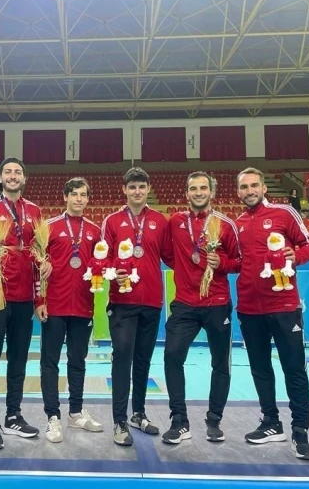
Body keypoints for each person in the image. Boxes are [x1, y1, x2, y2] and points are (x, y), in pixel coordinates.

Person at [234, 167, 309, 461]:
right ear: (238, 192)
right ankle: (271, 422)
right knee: (260, 369)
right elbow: (236, 263)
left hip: (284, 307)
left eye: (254, 185)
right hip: (249, 308)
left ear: (264, 188)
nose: (249, 191)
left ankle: (300, 431)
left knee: (294, 369)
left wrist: (297, 255)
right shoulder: (237, 224)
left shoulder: (284, 213)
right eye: (244, 187)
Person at [0, 157, 51, 450]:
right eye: (8, 171)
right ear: (1, 177)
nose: (13, 176)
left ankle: (13, 415)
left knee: (18, 359)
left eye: (18, 172)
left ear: (24, 178)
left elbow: (39, 255)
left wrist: (40, 297)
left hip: (24, 298)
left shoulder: (35, 211)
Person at [163, 172, 240, 445]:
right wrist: (184, 270)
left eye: (203, 188)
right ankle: (179, 421)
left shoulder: (226, 224)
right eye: (193, 188)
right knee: (172, 355)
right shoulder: (175, 221)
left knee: (220, 363)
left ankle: (214, 420)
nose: (198, 192)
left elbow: (240, 261)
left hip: (217, 303)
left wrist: (222, 264)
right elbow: (167, 253)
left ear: (212, 192)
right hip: (185, 303)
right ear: (186, 193)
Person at [100, 167, 174, 446]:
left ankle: (138, 414)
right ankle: (119, 420)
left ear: (148, 189)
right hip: (122, 302)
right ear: (124, 190)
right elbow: (102, 258)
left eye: (142, 186)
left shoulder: (160, 221)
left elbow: (171, 257)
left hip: (152, 301)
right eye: (132, 187)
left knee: (143, 360)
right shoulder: (112, 221)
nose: (137, 191)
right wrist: (112, 273)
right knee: (122, 358)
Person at [36, 177, 104, 443]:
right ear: (65, 196)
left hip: (83, 307)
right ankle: (52, 416)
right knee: (49, 362)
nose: (78, 199)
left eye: (83, 195)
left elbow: (100, 265)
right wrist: (38, 300)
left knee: (78, 361)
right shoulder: (49, 227)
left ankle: (76, 412)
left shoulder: (95, 230)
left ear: (88, 199)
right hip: (54, 305)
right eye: (74, 194)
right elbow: (36, 266)